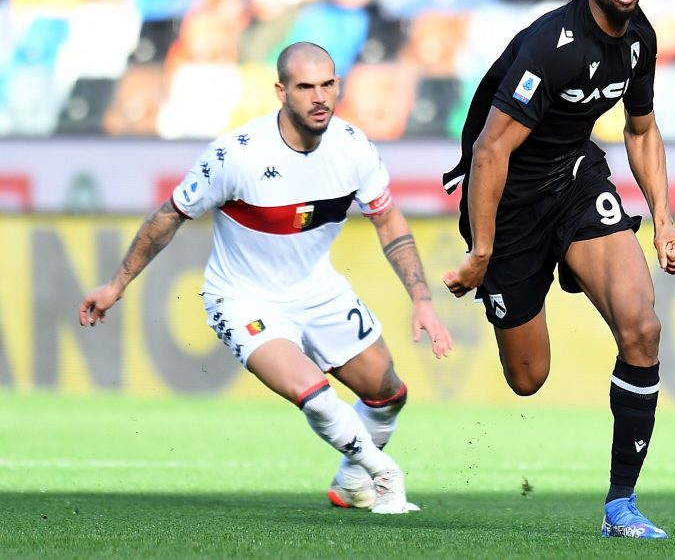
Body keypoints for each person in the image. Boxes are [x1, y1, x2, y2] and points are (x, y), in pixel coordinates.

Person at [79, 41, 453, 514]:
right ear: (281, 91)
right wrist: (117, 284)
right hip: (244, 300)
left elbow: (388, 220)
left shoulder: (353, 147)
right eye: (305, 87)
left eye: (328, 84)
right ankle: (385, 474)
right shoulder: (236, 155)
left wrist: (422, 299)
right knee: (315, 395)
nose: (319, 97)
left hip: (318, 290)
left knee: (388, 394)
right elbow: (169, 215)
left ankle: (352, 481)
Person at [441, 0, 675, 539]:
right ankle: (524, 276)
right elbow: (491, 152)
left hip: (575, 180)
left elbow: (640, 130)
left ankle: (621, 506)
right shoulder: (553, 46)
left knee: (643, 328)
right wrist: (482, 251)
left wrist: (662, 220)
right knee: (528, 378)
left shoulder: (640, 39)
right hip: (509, 202)